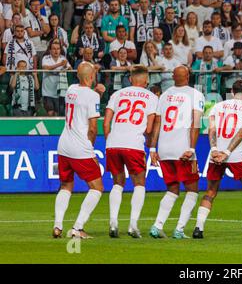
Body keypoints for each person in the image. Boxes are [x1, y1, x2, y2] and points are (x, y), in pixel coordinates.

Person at [192, 78, 242, 239]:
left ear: (231, 91)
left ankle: (198, 228)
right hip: (236, 155)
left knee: (210, 191)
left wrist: (215, 150)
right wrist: (228, 152)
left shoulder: (217, 106)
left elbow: (212, 129)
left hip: (215, 155)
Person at [149, 65, 205, 239]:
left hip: (165, 149)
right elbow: (195, 124)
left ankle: (157, 226)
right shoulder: (196, 94)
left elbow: (157, 124)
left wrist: (152, 148)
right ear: (188, 76)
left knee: (172, 189)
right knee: (192, 190)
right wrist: (192, 149)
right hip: (183, 149)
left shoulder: (164, 96)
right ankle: (179, 229)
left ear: (173, 77)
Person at [104, 65, 158, 238]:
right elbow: (149, 128)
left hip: (113, 143)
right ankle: (133, 224)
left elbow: (105, 123)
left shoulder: (117, 94)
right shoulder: (151, 97)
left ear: (130, 79)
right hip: (133, 144)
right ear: (146, 80)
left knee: (117, 183)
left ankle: (113, 222)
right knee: (139, 183)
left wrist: (110, 141)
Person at [53, 62, 104, 239]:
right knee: (97, 188)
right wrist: (91, 150)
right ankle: (77, 227)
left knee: (66, 186)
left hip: (63, 144)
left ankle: (58, 225)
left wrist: (96, 91)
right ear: (91, 77)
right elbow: (92, 129)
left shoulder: (71, 90)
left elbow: (83, 94)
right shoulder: (93, 97)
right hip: (80, 147)